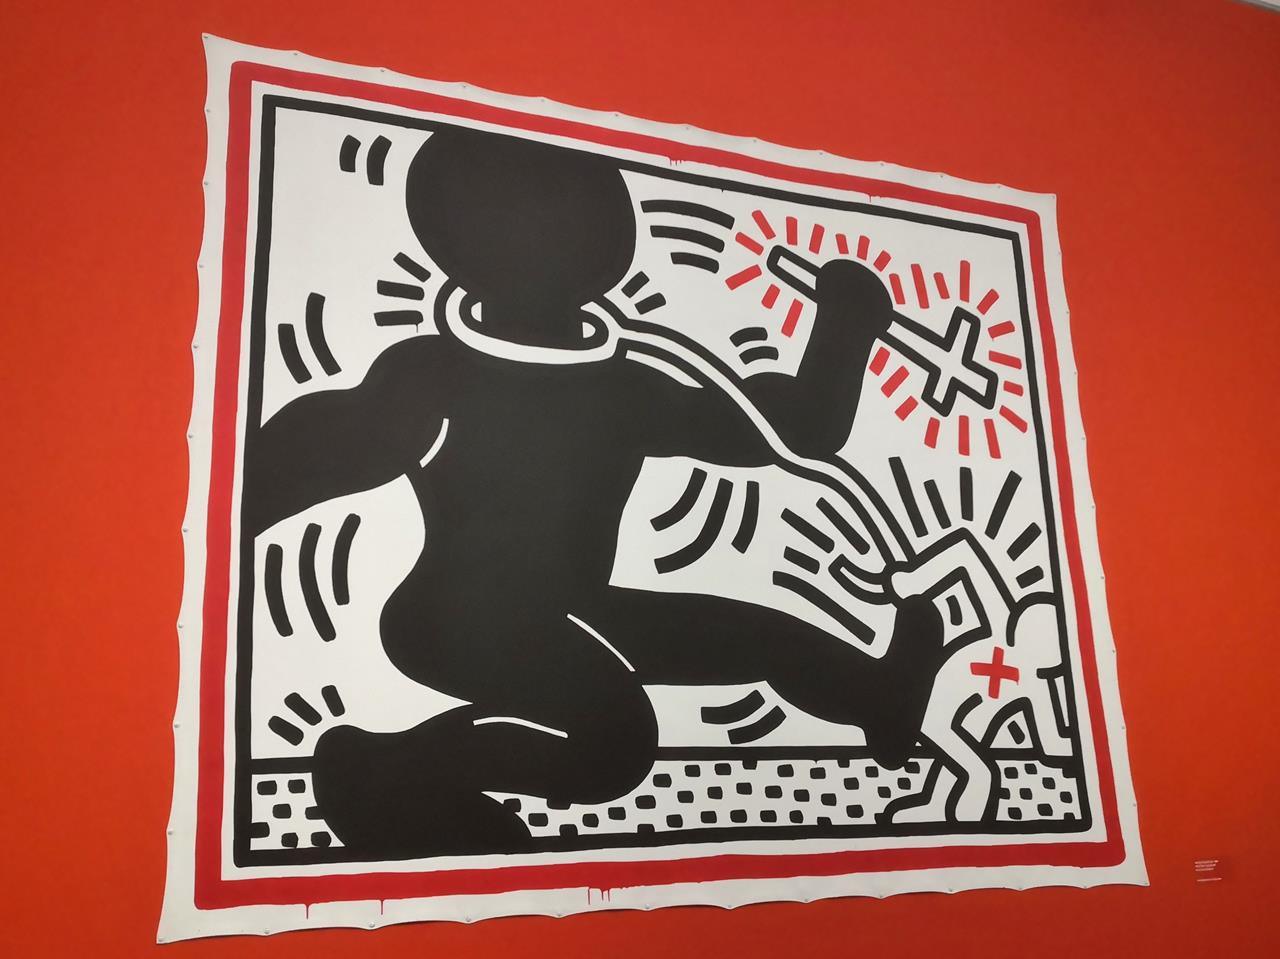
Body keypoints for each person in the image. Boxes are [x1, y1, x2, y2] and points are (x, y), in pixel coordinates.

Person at [244, 128, 944, 858]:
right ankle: (390, 775)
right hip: (451, 620)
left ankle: (878, 699)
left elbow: (791, 431)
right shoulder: (436, 377)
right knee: (616, 739)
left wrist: (844, 330)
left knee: (752, 635)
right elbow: (318, 450)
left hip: (575, 606)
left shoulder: (623, 386)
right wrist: (224, 510)